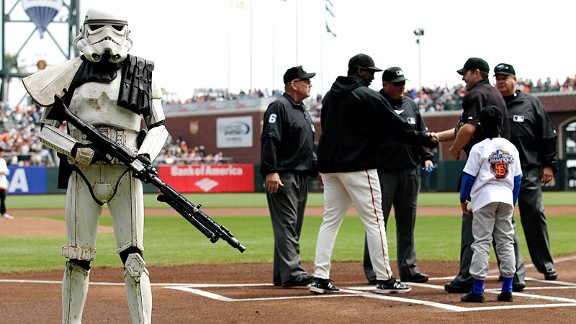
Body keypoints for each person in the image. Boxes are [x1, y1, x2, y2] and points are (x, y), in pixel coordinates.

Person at [22, 9, 169, 323]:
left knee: (134, 260)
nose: (107, 35)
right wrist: (75, 149)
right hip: (82, 171)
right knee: (77, 258)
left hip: (126, 171)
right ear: (84, 31)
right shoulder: (68, 73)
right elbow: (45, 128)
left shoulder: (142, 72)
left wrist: (144, 157)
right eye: (99, 27)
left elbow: (159, 127)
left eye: (115, 27)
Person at [309, 54, 437, 295]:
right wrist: (422, 138)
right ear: (358, 71)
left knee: (330, 222)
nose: (373, 76)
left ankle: (320, 276)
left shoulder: (329, 95)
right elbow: (395, 125)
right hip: (357, 166)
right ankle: (385, 278)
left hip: (330, 167)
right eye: (370, 72)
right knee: (375, 221)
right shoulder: (366, 95)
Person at [432, 57, 526, 293]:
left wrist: (453, 149)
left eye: (465, 73)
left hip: (483, 182)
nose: (463, 77)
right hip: (504, 185)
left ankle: (470, 281)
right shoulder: (495, 95)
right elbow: (518, 178)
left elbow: (468, 129)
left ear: (476, 73)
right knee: (506, 235)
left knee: (477, 236)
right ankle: (512, 281)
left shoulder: (475, 97)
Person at [362, 67, 432, 284]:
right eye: (397, 83)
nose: (402, 86)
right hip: (383, 171)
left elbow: (420, 132)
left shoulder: (410, 104)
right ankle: (375, 270)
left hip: (409, 170)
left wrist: (427, 156)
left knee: (407, 222)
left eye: (403, 82)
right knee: (377, 223)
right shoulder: (375, 104)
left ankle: (409, 268)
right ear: (385, 84)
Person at [494, 63, 559, 280]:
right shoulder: (494, 104)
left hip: (529, 170)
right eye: (498, 78)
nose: (501, 81)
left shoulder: (531, 103)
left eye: (505, 77)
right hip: (501, 173)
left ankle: (546, 264)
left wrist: (549, 164)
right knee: (504, 221)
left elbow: (548, 136)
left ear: (515, 79)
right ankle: (514, 273)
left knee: (535, 216)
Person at [260, 65, 317, 287]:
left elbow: (307, 147)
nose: (310, 84)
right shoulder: (279, 106)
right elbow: (270, 138)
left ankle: (282, 273)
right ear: (294, 84)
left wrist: (316, 169)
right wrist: (271, 170)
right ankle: (292, 272)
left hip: (301, 175)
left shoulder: (302, 109)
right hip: (283, 174)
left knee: (292, 226)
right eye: (306, 80)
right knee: (287, 224)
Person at [459, 105, 522, 303]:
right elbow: (518, 179)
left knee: (481, 243)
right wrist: (512, 201)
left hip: (484, 198)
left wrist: (464, 199)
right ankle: (507, 289)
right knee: (506, 242)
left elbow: (468, 177)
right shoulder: (511, 147)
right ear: (501, 124)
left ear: (481, 126)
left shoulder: (479, 148)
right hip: (505, 197)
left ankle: (478, 291)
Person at [0, 147, 13, 220]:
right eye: (2, 152)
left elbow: (6, 171)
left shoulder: (2, 160)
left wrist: (4, 172)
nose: (3, 153)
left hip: (2, 183)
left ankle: (3, 213)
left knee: (3, 199)